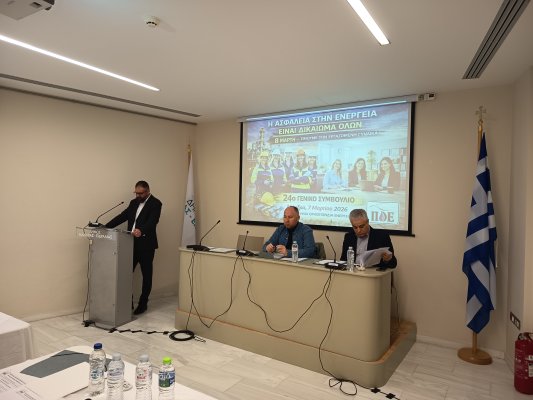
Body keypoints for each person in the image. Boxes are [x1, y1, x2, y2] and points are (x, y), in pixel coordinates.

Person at [105, 180, 162, 315]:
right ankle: (127, 301)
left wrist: (141, 230)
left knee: (146, 276)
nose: (138, 196)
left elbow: (153, 221)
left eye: (140, 193)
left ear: (147, 191)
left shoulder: (156, 203)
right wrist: (105, 227)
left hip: (146, 245)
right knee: (125, 273)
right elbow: (122, 217)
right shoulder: (133, 202)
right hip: (130, 244)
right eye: (136, 193)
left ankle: (143, 304)